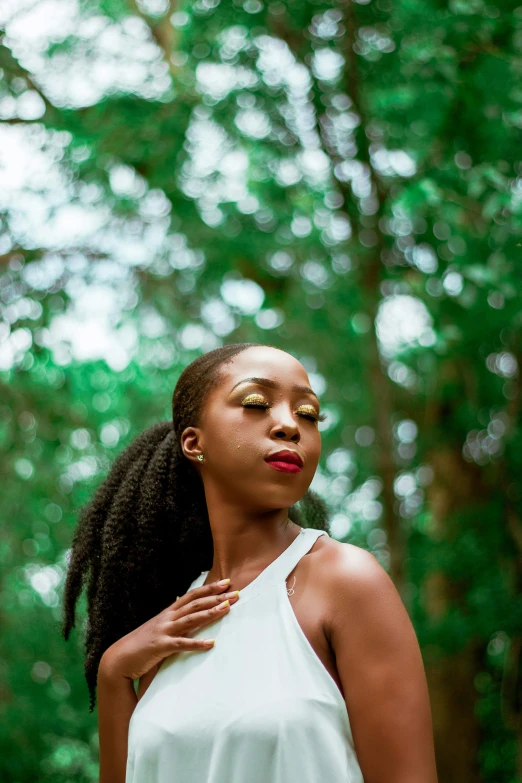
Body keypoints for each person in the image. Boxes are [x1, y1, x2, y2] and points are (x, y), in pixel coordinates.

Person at [62, 342, 438, 783]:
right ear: (193, 442)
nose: (289, 426)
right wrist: (114, 673)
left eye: (309, 414)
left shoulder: (346, 582)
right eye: (257, 403)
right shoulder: (170, 624)